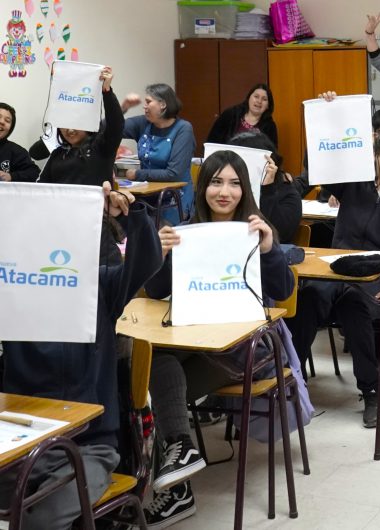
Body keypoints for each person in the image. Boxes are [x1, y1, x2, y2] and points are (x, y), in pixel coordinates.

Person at [142, 150, 294, 527]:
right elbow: (156, 290)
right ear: (202, 186)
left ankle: (176, 483)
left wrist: (270, 248)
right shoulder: (187, 231)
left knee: (153, 382)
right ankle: (179, 460)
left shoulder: (256, 229)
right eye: (215, 182)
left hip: (244, 352)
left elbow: (285, 288)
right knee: (148, 367)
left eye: (233, 183)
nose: (223, 192)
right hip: (193, 343)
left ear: (245, 190)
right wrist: (159, 254)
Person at [0, 184, 163, 529]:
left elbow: (146, 261)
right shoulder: (11, 294)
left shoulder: (98, 287)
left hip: (88, 448)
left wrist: (132, 213)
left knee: (40, 519)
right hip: (19, 442)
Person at [293, 93, 380, 428]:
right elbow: (323, 163)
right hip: (335, 272)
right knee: (307, 296)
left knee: (354, 305)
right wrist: (331, 114)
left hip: (376, 282)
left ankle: (371, 391)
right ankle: (290, 381)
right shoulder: (353, 181)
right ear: (376, 153)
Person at [121, 83, 197, 224]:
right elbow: (105, 127)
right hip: (146, 195)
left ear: (162, 104)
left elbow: (174, 174)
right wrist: (123, 107)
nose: (145, 106)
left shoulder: (183, 129)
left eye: (148, 102)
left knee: (159, 236)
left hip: (174, 200)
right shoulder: (143, 123)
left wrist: (137, 174)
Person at [38, 66, 123, 187]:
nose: (70, 130)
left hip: (94, 205)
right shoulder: (57, 153)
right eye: (65, 124)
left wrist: (107, 91)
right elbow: (42, 186)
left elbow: (116, 123)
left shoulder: (102, 147)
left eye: (76, 124)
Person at [226, 130, 302, 243]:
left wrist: (267, 190)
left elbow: (279, 236)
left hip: (268, 255)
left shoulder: (288, 194)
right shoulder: (229, 191)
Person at [206, 83, 278, 147]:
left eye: (264, 99)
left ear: (268, 106)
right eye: (256, 96)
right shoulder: (230, 115)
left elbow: (273, 154)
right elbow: (212, 141)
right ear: (249, 98)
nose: (259, 101)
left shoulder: (270, 127)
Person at [0, 102, 39, 182]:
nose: (2, 122)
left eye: (7, 121)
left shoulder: (16, 151)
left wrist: (11, 176)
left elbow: (35, 173)